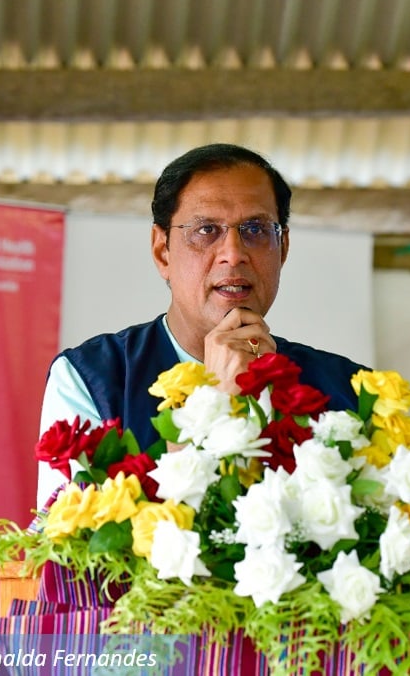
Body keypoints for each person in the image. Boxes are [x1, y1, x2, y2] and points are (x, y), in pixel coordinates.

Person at [37, 143, 369, 505]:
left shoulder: (351, 391)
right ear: (162, 251)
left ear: (283, 248)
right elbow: (71, 539)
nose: (233, 254)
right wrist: (216, 402)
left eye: (256, 229)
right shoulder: (91, 379)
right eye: (206, 229)